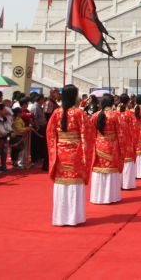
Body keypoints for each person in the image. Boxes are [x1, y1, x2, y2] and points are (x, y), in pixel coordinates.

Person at [46, 84, 95, 226]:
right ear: (75, 96)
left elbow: (50, 133)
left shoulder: (57, 113)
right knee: (74, 183)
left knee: (62, 183)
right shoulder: (79, 113)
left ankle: (60, 217)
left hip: (60, 153)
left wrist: (56, 148)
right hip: (75, 153)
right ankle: (74, 217)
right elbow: (88, 134)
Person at [90, 94, 124, 204]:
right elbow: (121, 134)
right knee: (111, 170)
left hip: (99, 144)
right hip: (111, 146)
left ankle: (97, 196)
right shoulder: (115, 116)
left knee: (99, 170)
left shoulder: (95, 115)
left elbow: (89, 132)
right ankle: (110, 196)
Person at [118, 94, 138, 190]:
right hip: (127, 139)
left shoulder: (115, 113)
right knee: (128, 159)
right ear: (128, 101)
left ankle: (118, 183)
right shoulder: (130, 114)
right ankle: (127, 183)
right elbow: (135, 128)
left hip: (117, 140)